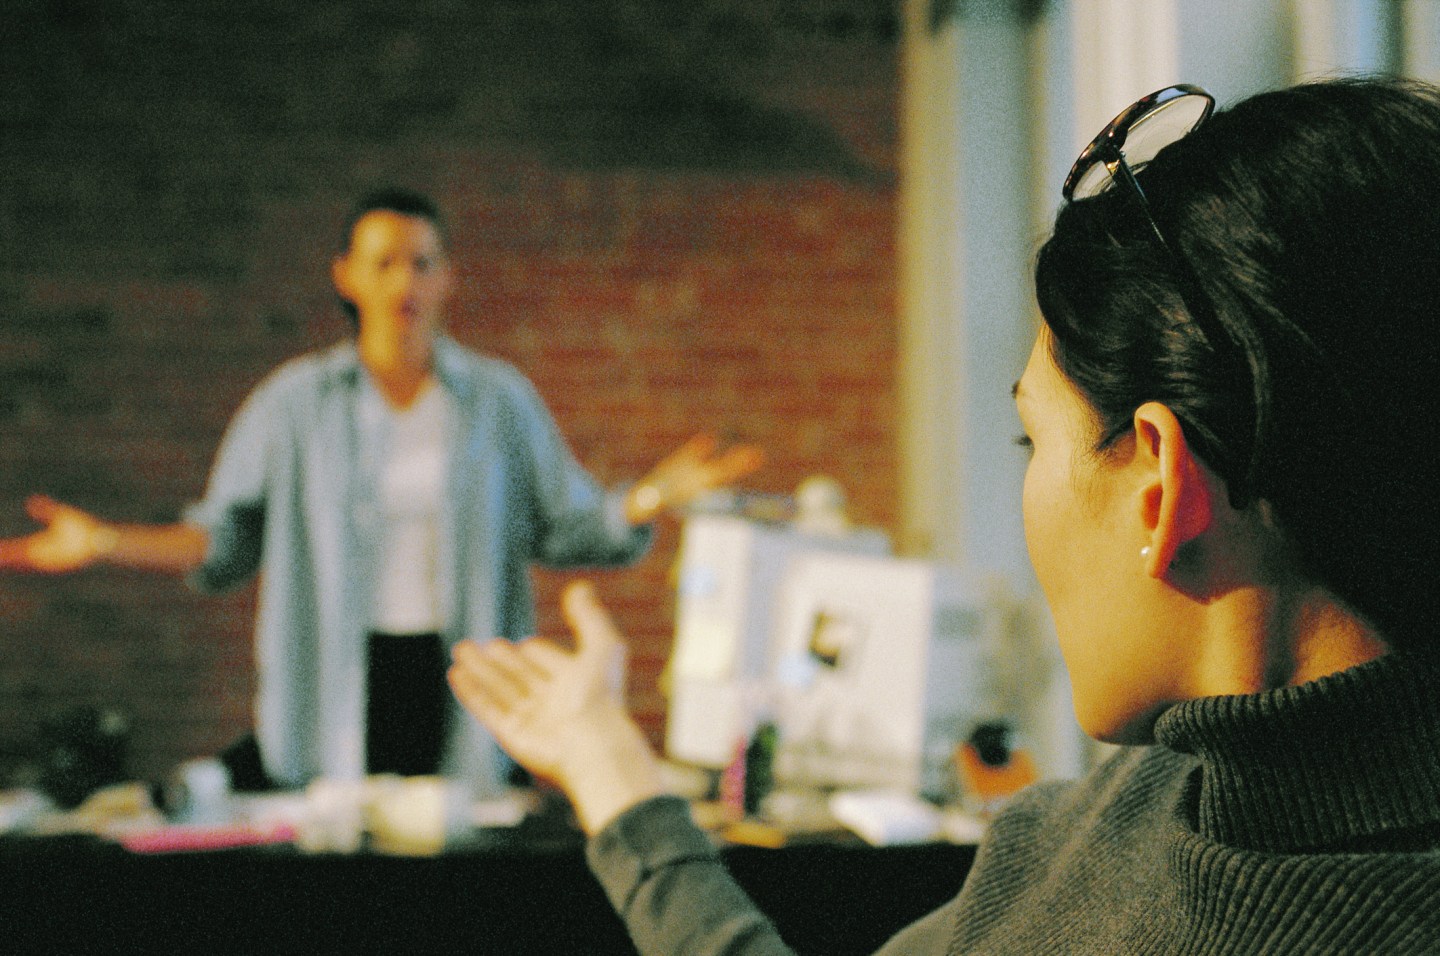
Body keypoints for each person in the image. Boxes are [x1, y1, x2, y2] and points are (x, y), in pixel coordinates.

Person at [446, 76, 1440, 953]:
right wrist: (611, 766)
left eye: (1031, 440)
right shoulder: (1108, 821)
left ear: (1158, 488)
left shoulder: (1076, 855)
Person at [0, 188, 762, 792]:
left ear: (448, 279)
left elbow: (565, 525)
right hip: (332, 672)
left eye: (424, 263)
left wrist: (645, 498)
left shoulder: (497, 401)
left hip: (461, 674)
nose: (406, 281)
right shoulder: (293, 404)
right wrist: (106, 542)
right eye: (387, 261)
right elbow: (225, 541)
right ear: (348, 276)